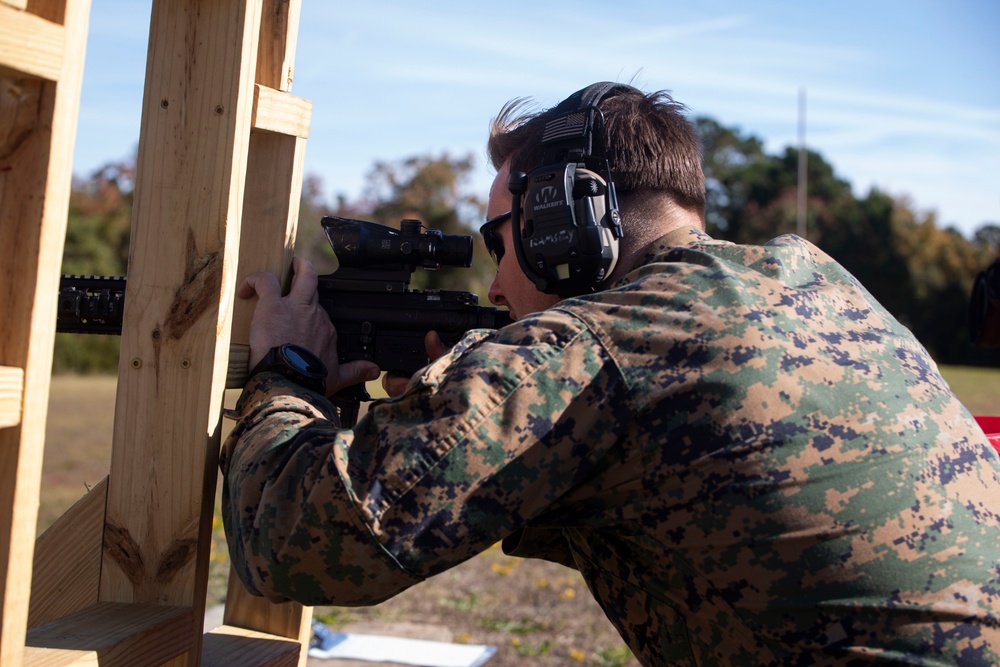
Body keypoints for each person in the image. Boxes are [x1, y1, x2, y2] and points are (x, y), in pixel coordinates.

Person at [221, 83, 1000, 665]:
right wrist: (457, 405)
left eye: (500, 244)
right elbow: (679, 509)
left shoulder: (595, 344)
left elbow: (293, 543)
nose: (493, 287)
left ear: (562, 217)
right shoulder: (817, 281)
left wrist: (288, 368)